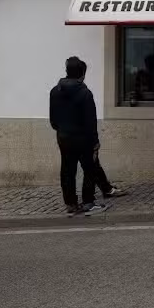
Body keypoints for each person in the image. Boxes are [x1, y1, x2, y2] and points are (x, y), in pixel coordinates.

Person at [50, 57, 123, 217]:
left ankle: (70, 203)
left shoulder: (55, 91)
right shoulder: (85, 93)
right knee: (89, 169)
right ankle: (88, 203)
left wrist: (61, 129)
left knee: (67, 170)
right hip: (83, 138)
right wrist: (95, 142)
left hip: (63, 136)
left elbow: (53, 119)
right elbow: (90, 121)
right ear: (82, 74)